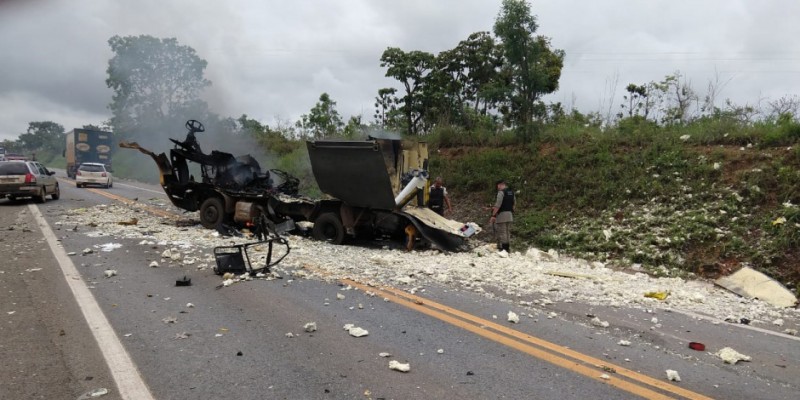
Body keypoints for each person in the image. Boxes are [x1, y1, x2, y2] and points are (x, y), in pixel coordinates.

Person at [489, 179, 515, 253]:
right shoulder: (511, 192)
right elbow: (513, 204)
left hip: (501, 215)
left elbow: (497, 205)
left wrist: (493, 215)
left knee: (502, 232)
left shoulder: (501, 193)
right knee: (507, 231)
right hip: (510, 215)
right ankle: (508, 248)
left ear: (500, 185)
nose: (497, 187)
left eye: (498, 186)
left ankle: (504, 249)